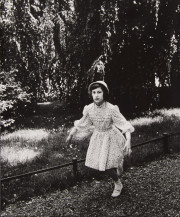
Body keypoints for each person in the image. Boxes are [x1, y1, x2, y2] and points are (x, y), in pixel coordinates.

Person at [66, 81, 134, 197]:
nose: (96, 95)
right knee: (102, 165)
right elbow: (82, 123)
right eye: (94, 92)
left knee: (107, 166)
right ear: (91, 94)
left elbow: (124, 124)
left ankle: (117, 184)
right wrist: (71, 134)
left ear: (104, 94)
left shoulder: (111, 109)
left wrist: (128, 140)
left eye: (99, 92)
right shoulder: (89, 109)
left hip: (112, 137)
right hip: (98, 138)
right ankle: (117, 166)